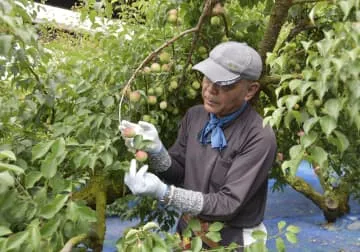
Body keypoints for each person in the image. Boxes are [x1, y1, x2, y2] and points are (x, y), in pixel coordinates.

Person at [119, 41, 277, 251]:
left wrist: (165, 193)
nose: (210, 90)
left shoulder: (259, 136)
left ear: (250, 90)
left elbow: (227, 204)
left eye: (225, 85)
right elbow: (178, 172)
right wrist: (156, 150)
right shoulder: (196, 116)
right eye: (208, 78)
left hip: (232, 240)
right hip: (189, 233)